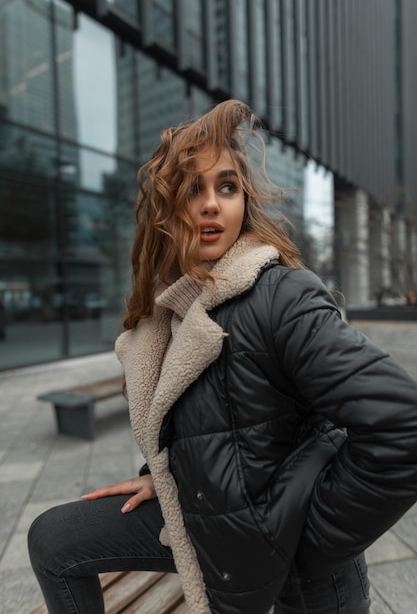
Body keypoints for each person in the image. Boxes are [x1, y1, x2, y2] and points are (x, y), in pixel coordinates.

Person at [28, 99, 417, 614]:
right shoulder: (171, 313)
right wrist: (160, 475)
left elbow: (404, 427)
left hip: (307, 582)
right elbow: (211, 417)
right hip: (215, 521)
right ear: (167, 209)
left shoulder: (282, 295)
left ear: (243, 202)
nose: (212, 204)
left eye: (227, 187)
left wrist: (295, 548)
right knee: (53, 539)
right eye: (193, 188)